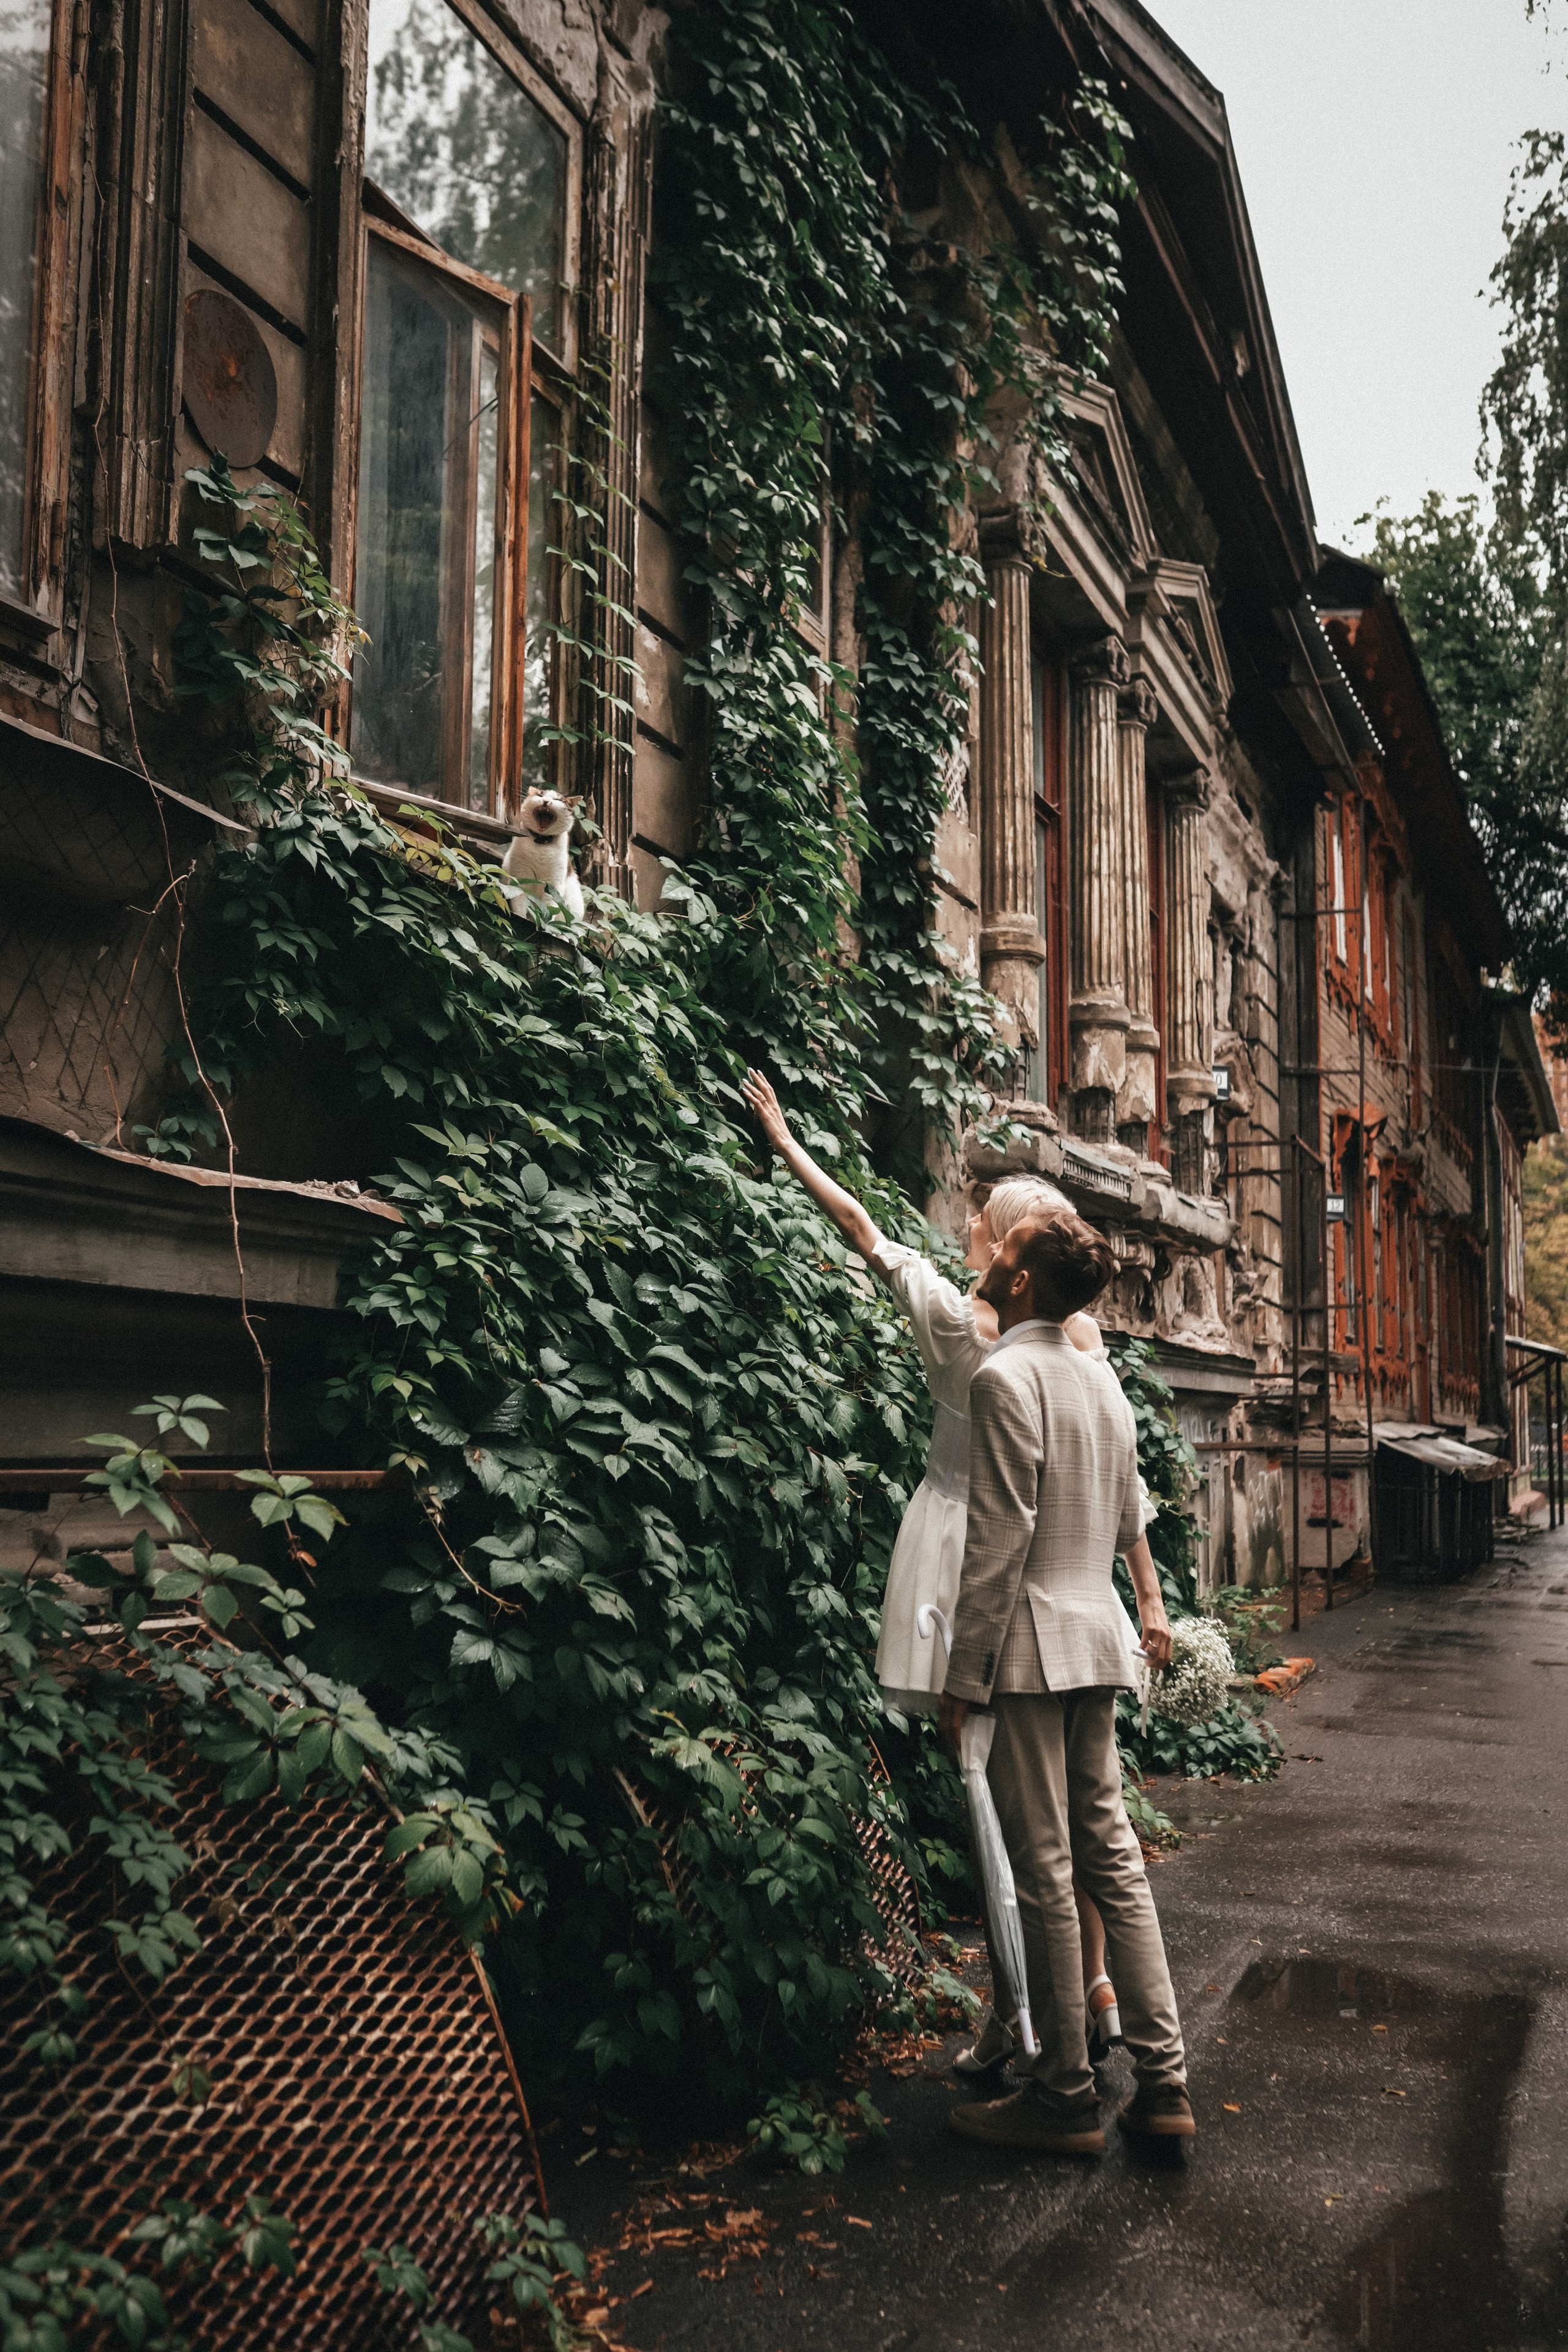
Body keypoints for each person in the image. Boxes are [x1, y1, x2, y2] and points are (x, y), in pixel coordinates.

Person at [738, 1069, 1170, 2062]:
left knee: (1022, 1838)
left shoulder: (965, 1330)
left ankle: (1036, 2043)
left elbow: (859, 1229)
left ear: (1015, 1264)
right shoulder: (1085, 1346)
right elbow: (1119, 1487)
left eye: (992, 1225)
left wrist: (786, 1139)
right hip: (1084, 1599)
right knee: (1093, 1836)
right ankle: (1109, 2016)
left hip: (985, 1585)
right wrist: (1144, 1591)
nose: (974, 1225)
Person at [941, 1210, 1195, 2154]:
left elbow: (998, 1542)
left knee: (1047, 1868)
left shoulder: (1007, 1376)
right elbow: (1128, 1516)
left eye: (1003, 1251)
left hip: (1030, 1646)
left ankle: (1065, 2095)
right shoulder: (1104, 1383)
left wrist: (963, 1677)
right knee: (1115, 1863)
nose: (989, 1254)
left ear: (1019, 1284)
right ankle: (1165, 2084)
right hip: (1097, 1637)